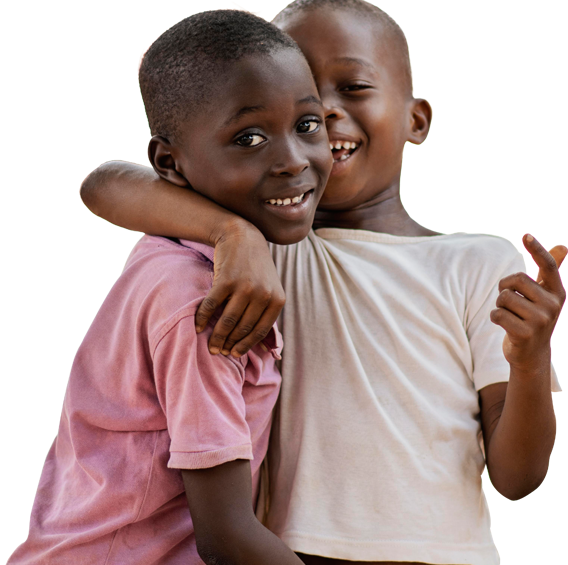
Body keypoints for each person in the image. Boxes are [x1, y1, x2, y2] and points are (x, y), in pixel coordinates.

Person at [79, 1, 566, 564]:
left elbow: (516, 478)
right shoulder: (269, 249)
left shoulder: (477, 260)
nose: (326, 112)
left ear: (416, 119)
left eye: (352, 88)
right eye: (303, 94)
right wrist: (232, 233)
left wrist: (530, 362)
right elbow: (103, 185)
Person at [7, 8, 333, 565]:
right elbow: (226, 536)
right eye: (249, 138)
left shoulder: (180, 243)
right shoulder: (205, 306)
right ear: (169, 163)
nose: (292, 161)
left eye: (307, 125)